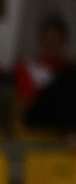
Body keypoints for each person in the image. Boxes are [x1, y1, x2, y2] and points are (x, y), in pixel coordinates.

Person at [16, 12, 76, 141]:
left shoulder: (69, 70)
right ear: (41, 39)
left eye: (56, 40)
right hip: (38, 113)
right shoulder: (27, 66)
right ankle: (70, 134)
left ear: (64, 41)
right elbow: (25, 101)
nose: (52, 45)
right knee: (63, 82)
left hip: (65, 114)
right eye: (48, 40)